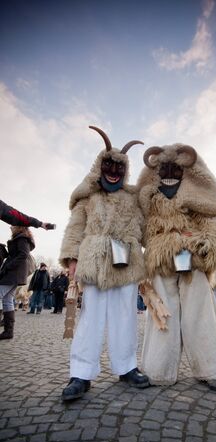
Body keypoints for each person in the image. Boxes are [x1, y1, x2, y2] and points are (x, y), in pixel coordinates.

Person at [137, 143, 216, 392]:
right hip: (161, 260)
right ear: (155, 171)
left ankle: (209, 369)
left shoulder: (200, 197)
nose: (170, 173)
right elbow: (138, 227)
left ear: (187, 171)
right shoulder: (148, 198)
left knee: (200, 312)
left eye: (176, 168)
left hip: (192, 258)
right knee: (162, 312)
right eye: (164, 168)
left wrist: (205, 245)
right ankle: (158, 369)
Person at [59, 126, 149, 402]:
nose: (113, 170)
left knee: (126, 317)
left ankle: (127, 367)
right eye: (108, 164)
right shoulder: (88, 196)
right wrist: (72, 260)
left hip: (127, 261)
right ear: (100, 166)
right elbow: (75, 229)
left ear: (125, 170)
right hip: (95, 261)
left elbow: (146, 229)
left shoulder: (134, 197)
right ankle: (81, 374)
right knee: (90, 318)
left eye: (118, 166)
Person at [0, 226, 35, 339]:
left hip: (13, 273)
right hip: (14, 273)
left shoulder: (22, 238)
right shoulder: (21, 237)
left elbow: (23, 254)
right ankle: (8, 332)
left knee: (5, 298)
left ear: (19, 227)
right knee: (8, 300)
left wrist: (8, 266)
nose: (10, 227)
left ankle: (8, 331)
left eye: (13, 225)